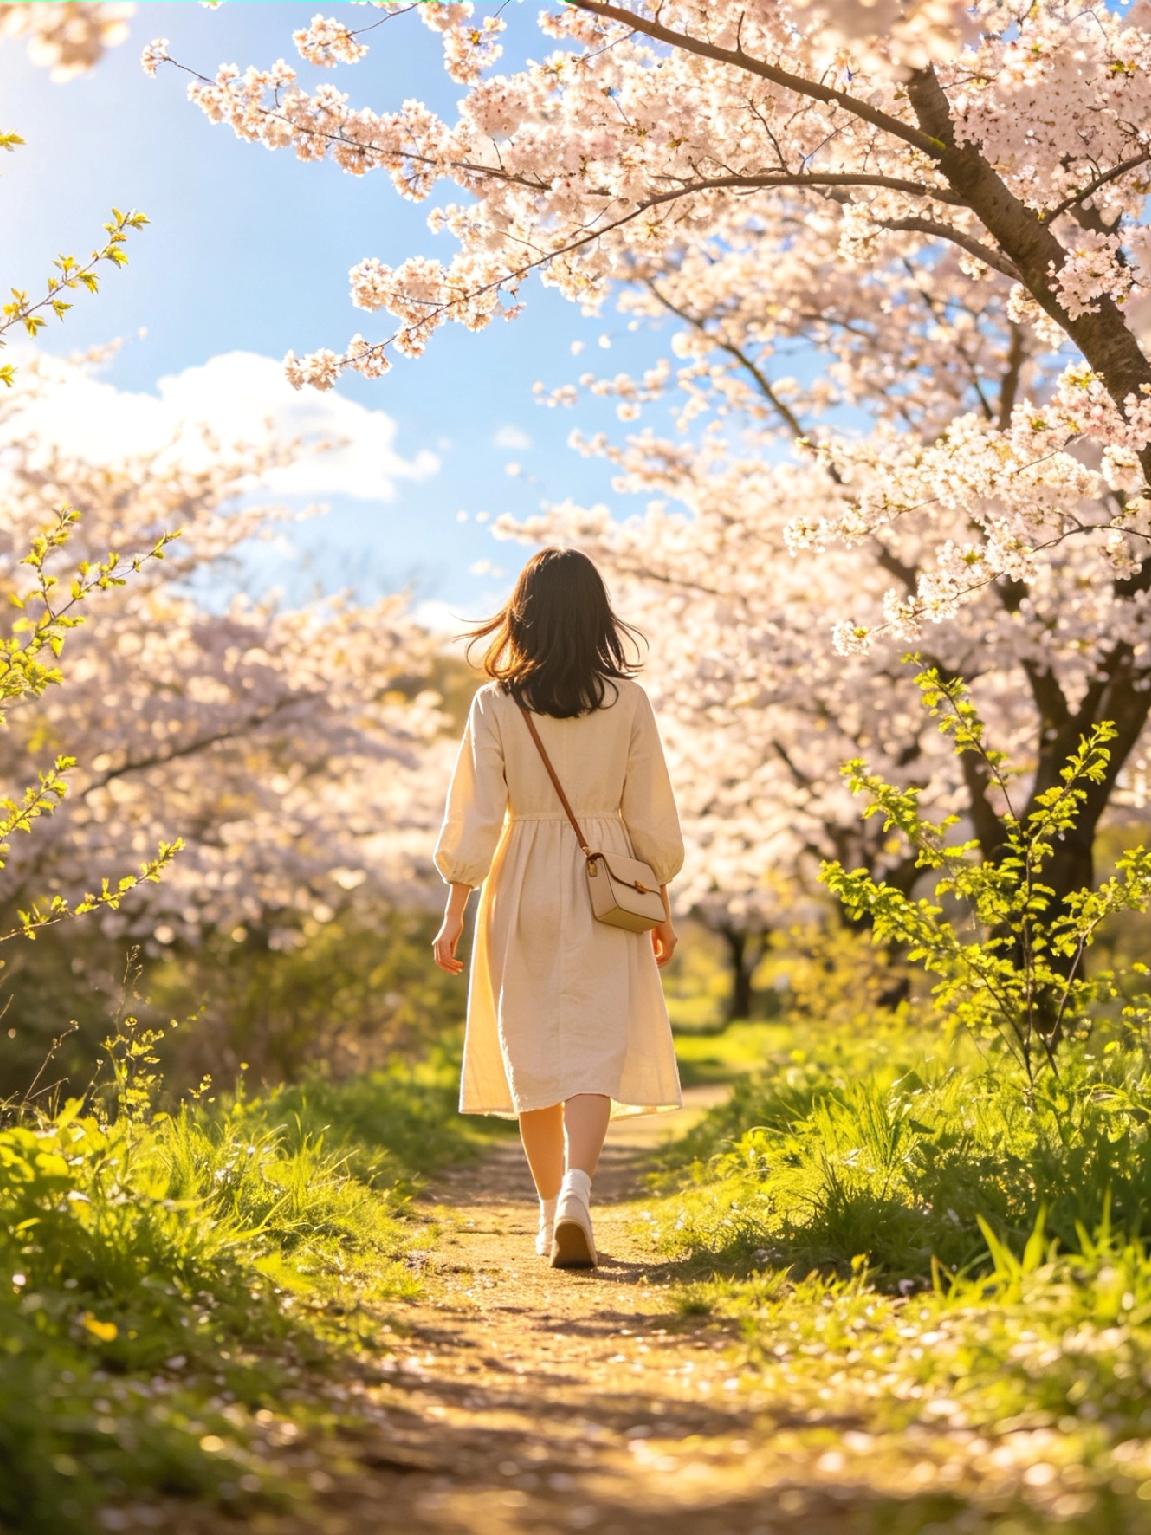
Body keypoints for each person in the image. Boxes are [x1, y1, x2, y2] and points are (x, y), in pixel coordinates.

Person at [431, 547, 686, 1269]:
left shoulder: (495, 702)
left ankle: (549, 1213)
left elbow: (476, 815)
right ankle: (578, 1189)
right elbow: (650, 821)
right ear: (596, 616)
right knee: (594, 1046)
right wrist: (658, 903)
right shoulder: (628, 702)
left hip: (521, 882)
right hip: (607, 881)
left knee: (533, 1048)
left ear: (524, 614)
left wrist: (453, 908)